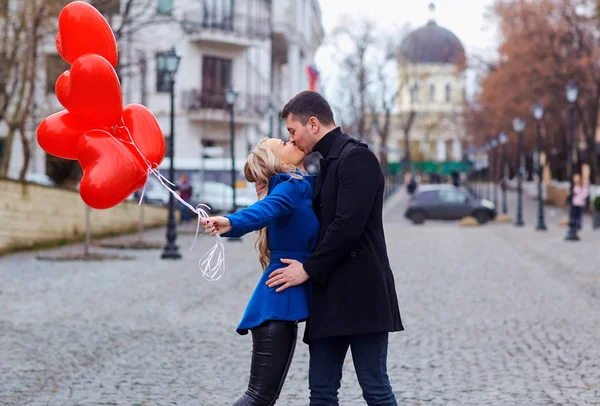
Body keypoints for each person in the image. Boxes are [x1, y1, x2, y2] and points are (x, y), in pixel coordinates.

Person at [267, 91, 403, 406]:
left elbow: (347, 226)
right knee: (322, 391)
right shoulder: (327, 163)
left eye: (292, 131)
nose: (292, 139)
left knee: (375, 387)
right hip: (329, 295)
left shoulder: (357, 157)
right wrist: (268, 183)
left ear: (312, 124)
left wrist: (307, 268)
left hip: (362, 293)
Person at [201, 138, 318, 405]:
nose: (293, 140)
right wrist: (230, 221)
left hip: (284, 301)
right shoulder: (288, 187)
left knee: (264, 398)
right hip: (276, 301)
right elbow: (263, 210)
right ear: (278, 160)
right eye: (285, 141)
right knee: (258, 397)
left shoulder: (304, 184)